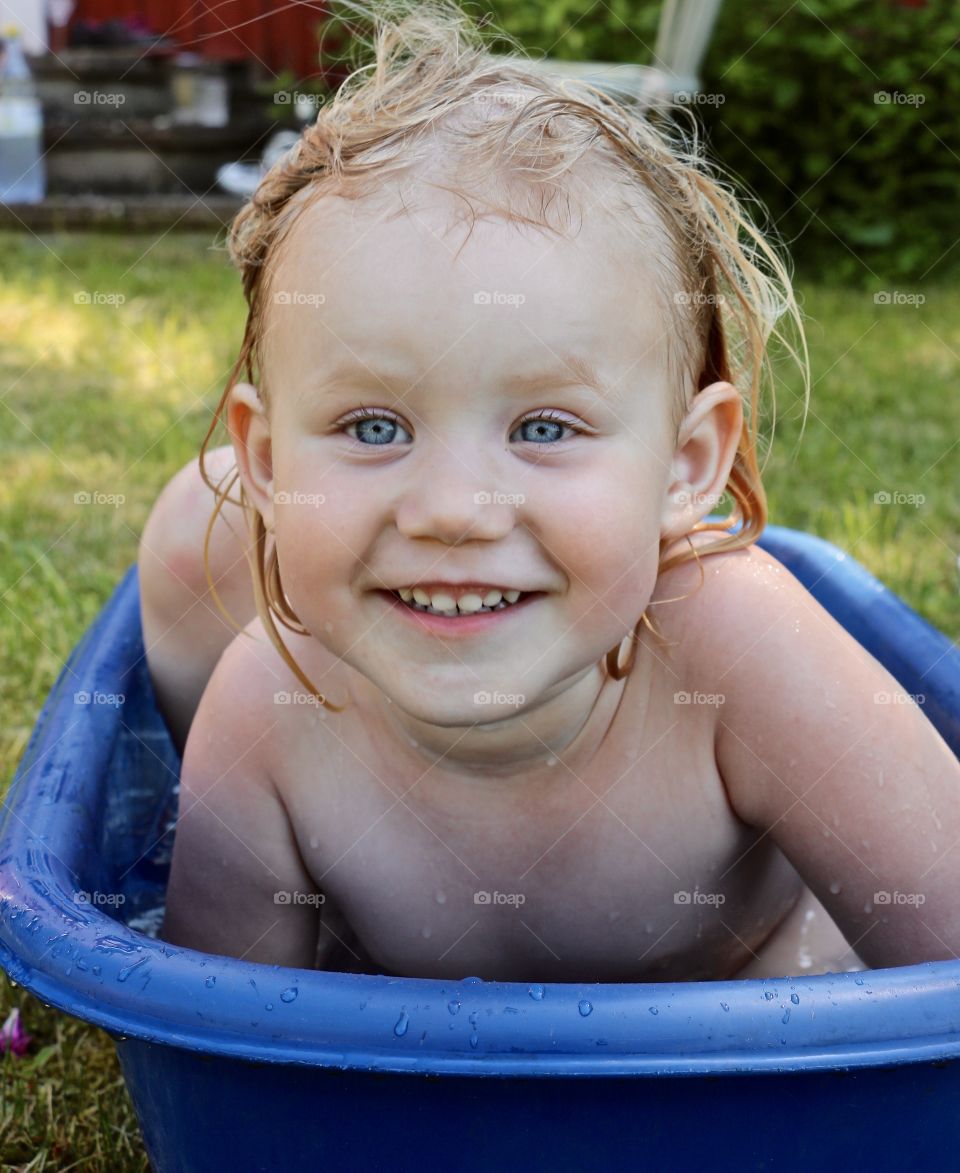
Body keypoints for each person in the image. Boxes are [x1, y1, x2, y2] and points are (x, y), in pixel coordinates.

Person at [144, 0, 960, 981]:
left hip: (753, 1089)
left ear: (684, 468)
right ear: (271, 463)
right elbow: (222, 1054)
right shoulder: (270, 702)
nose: (451, 509)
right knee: (195, 525)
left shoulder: (737, 650)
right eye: (373, 427)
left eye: (543, 429)